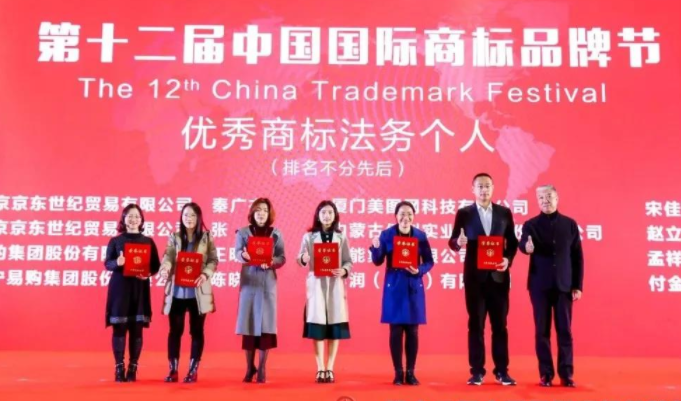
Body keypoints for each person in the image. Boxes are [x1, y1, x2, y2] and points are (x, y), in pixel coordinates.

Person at [449, 173, 519, 386]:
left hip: (498, 278)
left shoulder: (504, 213)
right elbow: (453, 241)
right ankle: (477, 371)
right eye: (479, 186)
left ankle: (502, 371)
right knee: (476, 325)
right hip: (475, 280)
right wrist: (458, 242)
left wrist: (507, 260)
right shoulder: (464, 213)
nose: (484, 190)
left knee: (500, 326)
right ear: (473, 189)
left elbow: (512, 242)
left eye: (487, 186)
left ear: (493, 188)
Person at [519, 185, 584, 388]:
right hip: (539, 286)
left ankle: (566, 374)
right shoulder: (530, 225)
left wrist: (577, 285)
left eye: (549, 196)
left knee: (565, 331)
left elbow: (577, 257)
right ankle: (546, 374)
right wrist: (526, 247)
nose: (545, 200)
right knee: (542, 331)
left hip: (564, 285)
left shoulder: (570, 224)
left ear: (557, 198)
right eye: (541, 198)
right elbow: (523, 244)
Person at [370, 201, 434, 386]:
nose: (406, 218)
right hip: (394, 287)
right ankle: (398, 372)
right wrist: (376, 247)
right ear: (396, 216)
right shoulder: (387, 234)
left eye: (409, 214)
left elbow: (429, 261)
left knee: (413, 331)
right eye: (402, 214)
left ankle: (411, 373)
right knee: (396, 331)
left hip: (413, 286)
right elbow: (377, 261)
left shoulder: (420, 236)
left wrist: (419, 270)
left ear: (414, 216)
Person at [159, 202, 218, 383]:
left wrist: (205, 274)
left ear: (198, 218)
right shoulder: (175, 237)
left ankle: (193, 370)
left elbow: (213, 260)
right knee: (175, 331)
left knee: (197, 331)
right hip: (177, 291)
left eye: (192, 215)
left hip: (197, 292)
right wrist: (165, 268)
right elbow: (168, 255)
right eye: (185, 215)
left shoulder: (207, 238)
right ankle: (173, 369)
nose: (189, 218)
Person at [104, 204, 161, 382]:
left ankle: (133, 367)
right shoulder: (116, 241)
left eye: (137, 216)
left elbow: (155, 266)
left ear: (141, 220)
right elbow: (107, 263)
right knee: (119, 328)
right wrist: (118, 263)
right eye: (129, 216)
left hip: (139, 288)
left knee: (137, 329)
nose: (133, 219)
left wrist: (148, 273)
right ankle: (119, 367)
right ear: (123, 219)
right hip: (120, 288)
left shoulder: (148, 241)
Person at [297, 200, 352, 383]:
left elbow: (348, 261)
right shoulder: (309, 237)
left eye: (330, 212)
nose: (327, 216)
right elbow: (299, 258)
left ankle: (330, 367)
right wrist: (304, 258)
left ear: (335, 215)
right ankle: (320, 367)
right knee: (318, 327)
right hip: (317, 285)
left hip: (335, 284)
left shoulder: (341, 237)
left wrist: (344, 270)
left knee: (335, 326)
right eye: (323, 212)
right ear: (318, 215)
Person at [235, 198, 286, 383]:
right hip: (249, 283)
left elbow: (282, 257)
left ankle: (262, 367)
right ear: (252, 213)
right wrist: (243, 255)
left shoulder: (276, 234)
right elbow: (237, 253)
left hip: (267, 283)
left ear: (269, 213)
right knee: (249, 325)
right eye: (257, 210)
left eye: (264, 210)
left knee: (266, 326)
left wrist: (272, 262)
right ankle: (250, 368)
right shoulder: (243, 232)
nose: (261, 213)